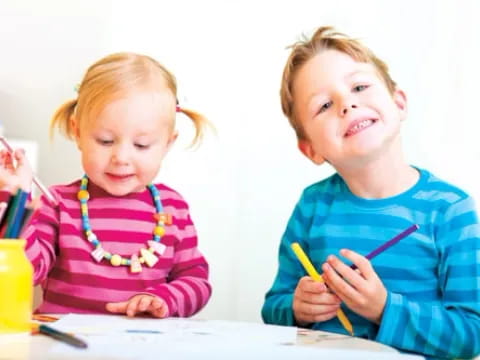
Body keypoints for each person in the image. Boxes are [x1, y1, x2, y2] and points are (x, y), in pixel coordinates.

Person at [261, 26, 480, 359]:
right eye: (323, 105)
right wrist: (296, 308)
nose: (347, 104)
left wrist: (384, 309)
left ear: (399, 103)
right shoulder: (313, 206)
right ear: (311, 150)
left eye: (360, 87)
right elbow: (273, 308)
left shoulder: (450, 209)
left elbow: (471, 334)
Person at [0, 52, 212, 318]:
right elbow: (27, 271)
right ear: (77, 132)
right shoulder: (58, 204)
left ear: (167, 143)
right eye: (105, 141)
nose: (121, 158)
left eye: (141, 145)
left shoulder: (173, 208)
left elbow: (197, 281)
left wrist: (163, 299)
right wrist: (15, 196)